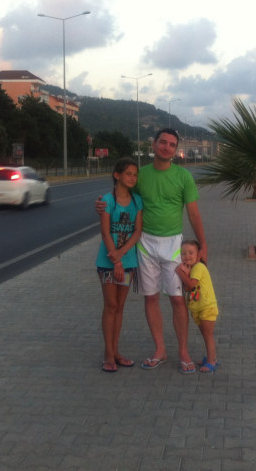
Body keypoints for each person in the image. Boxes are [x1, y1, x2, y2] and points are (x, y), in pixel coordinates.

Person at [95, 128, 207, 374]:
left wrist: (203, 245)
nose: (167, 147)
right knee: (151, 297)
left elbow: (193, 213)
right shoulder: (141, 175)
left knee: (177, 299)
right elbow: (121, 196)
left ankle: (184, 352)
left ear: (175, 150)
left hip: (173, 245)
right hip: (144, 244)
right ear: (154, 145)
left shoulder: (183, 176)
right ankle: (160, 350)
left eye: (172, 144)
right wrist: (101, 204)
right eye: (163, 142)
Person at [95, 157, 144, 373]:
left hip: (128, 261)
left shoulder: (137, 201)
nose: (132, 178)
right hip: (108, 262)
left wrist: (122, 256)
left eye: (135, 175)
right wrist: (115, 261)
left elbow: (137, 231)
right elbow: (105, 233)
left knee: (120, 307)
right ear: (117, 175)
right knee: (111, 306)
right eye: (128, 174)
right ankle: (108, 354)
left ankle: (116, 352)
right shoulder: (107, 200)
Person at [175, 239, 219, 373]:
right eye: (183, 253)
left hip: (207, 307)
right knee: (205, 334)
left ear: (198, 254)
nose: (187, 256)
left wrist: (180, 273)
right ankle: (211, 357)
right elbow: (188, 289)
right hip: (198, 308)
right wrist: (186, 273)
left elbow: (191, 285)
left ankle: (212, 361)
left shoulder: (199, 267)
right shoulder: (193, 268)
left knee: (208, 335)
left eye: (190, 253)